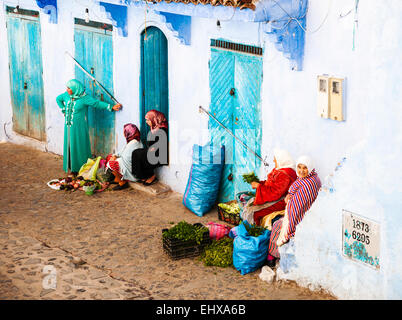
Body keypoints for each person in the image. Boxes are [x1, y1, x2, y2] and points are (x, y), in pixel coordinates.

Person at [56, 79, 122, 174]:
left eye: (69, 88)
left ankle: (80, 168)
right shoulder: (66, 95)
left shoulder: (84, 98)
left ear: (75, 88)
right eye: (67, 87)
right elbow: (58, 99)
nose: (67, 89)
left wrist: (111, 107)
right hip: (68, 126)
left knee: (79, 146)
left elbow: (96, 103)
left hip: (79, 127)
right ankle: (71, 166)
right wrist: (63, 109)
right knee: (69, 145)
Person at [266, 155, 321, 268]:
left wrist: (289, 226)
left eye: (304, 168)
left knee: (277, 225)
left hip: (301, 218)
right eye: (299, 167)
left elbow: (296, 209)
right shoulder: (313, 177)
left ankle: (272, 257)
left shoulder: (307, 184)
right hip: (305, 213)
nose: (301, 171)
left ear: (309, 168)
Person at [250, 149, 298, 226]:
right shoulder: (280, 169)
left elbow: (275, 193)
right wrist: (260, 183)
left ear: (281, 160)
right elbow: (271, 184)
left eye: (275, 159)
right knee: (251, 206)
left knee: (255, 213)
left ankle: (258, 231)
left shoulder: (285, 174)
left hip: (281, 201)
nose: (273, 161)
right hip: (276, 198)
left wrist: (259, 186)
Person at [131, 110, 168, 186]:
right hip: (154, 151)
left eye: (148, 120)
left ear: (155, 119)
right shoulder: (154, 129)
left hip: (161, 156)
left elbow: (159, 145)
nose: (147, 122)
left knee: (141, 155)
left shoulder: (163, 129)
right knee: (136, 152)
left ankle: (151, 175)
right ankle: (142, 176)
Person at [106, 124, 143, 190]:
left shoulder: (133, 143)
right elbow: (122, 151)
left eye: (125, 131)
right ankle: (118, 179)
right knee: (112, 157)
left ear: (129, 133)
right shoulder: (136, 141)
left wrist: (115, 158)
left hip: (132, 172)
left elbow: (125, 157)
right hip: (135, 168)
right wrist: (115, 155)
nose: (124, 133)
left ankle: (122, 182)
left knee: (112, 163)